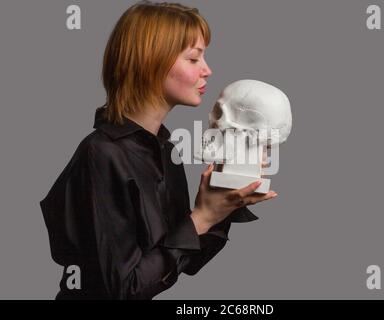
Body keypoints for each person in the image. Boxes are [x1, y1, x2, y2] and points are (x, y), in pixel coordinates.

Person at [39, 1, 277, 300]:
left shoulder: (165, 151)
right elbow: (124, 289)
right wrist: (201, 218)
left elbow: (183, 262)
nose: (208, 70)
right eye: (193, 59)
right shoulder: (101, 154)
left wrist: (222, 209)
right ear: (151, 62)